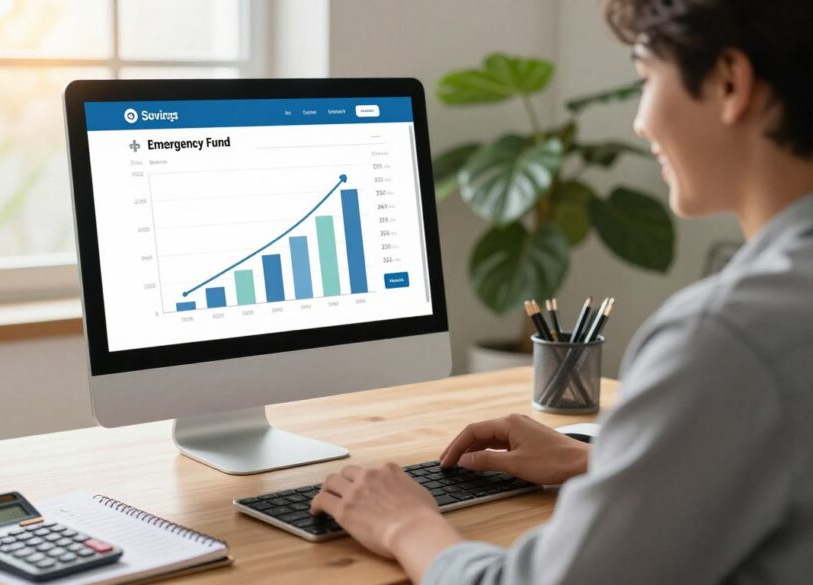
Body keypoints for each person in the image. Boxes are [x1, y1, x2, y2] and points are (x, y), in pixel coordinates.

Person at [310, 0, 813, 582]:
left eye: (646, 79)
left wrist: (406, 524)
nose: (640, 122)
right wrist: (605, 463)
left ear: (730, 81)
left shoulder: (727, 337)